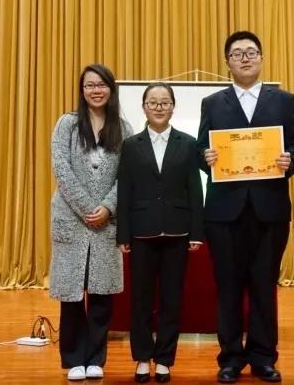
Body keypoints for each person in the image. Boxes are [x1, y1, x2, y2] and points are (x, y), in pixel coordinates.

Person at [197, 31, 294, 383]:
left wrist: (290, 160)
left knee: (264, 286)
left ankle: (263, 357)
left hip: (269, 209)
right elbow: (200, 149)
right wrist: (206, 157)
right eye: (237, 53)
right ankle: (230, 358)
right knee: (228, 287)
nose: (245, 58)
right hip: (224, 212)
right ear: (227, 62)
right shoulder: (212, 103)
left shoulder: (283, 100)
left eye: (251, 52)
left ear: (261, 58)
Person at [49, 64, 132, 381]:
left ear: (111, 89)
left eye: (101, 85)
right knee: (71, 294)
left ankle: (96, 358)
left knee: (101, 292)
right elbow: (61, 168)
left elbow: (128, 175)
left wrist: (108, 207)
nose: (96, 90)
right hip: (71, 218)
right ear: (82, 90)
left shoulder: (123, 127)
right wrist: (87, 207)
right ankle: (73, 359)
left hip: (106, 222)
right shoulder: (67, 124)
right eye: (89, 85)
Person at [117, 82, 204, 383]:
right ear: (143, 107)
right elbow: (125, 190)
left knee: (171, 300)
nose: (158, 107)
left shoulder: (188, 143)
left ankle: (165, 359)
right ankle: (143, 358)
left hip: (178, 233)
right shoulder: (131, 145)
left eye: (164, 102)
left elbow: (195, 189)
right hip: (141, 234)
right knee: (140, 300)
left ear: (172, 107)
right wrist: (123, 234)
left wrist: (196, 231)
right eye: (152, 102)